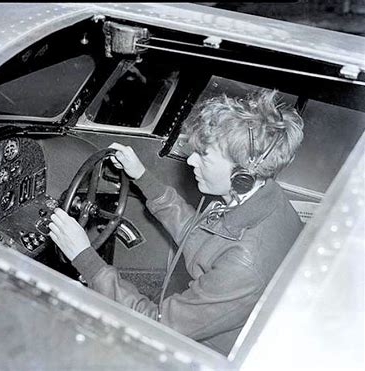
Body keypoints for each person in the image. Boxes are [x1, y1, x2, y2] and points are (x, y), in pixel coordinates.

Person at [48, 89, 304, 355]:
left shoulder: (244, 264)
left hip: (202, 352)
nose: (191, 160)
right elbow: (200, 236)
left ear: (242, 174)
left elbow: (154, 324)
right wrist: (142, 177)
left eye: (204, 154)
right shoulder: (264, 198)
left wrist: (85, 258)